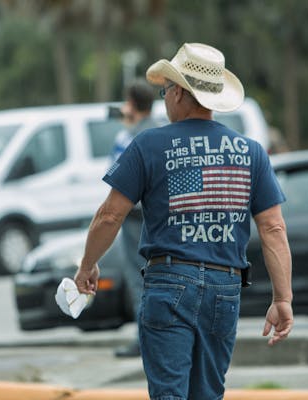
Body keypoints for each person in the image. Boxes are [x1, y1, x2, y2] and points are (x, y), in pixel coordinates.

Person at [74, 43, 293, 400]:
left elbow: (110, 214)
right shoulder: (250, 152)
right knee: (208, 394)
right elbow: (274, 228)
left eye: (165, 91)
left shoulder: (148, 145)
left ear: (178, 92)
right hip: (226, 287)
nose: (164, 98)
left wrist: (87, 264)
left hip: (169, 283)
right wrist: (283, 298)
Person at [110, 80, 160, 358]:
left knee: (138, 277)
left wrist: (126, 130)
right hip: (157, 215)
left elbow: (118, 171)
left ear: (131, 104)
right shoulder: (161, 129)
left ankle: (144, 340)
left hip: (134, 217)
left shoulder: (133, 136)